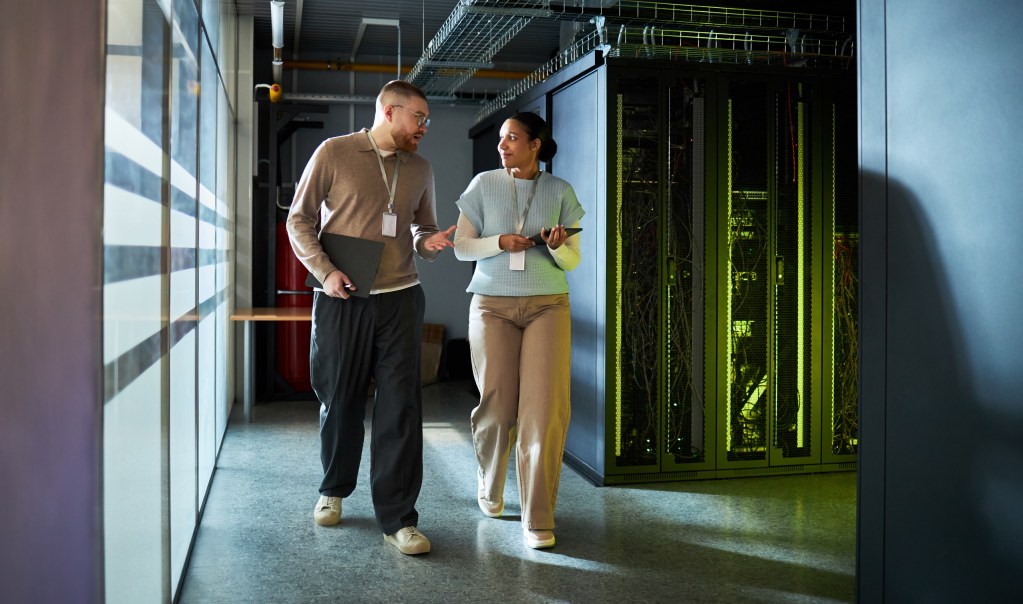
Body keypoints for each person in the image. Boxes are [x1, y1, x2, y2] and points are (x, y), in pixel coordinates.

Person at [286, 80, 456, 556]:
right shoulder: (334, 152)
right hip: (342, 296)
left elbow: (421, 228)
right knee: (339, 400)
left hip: (401, 298)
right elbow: (298, 219)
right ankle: (334, 489)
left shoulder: (420, 167)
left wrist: (431, 243)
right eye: (418, 117)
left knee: (401, 407)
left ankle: (399, 518)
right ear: (388, 111)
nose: (424, 127)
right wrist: (326, 272)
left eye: (426, 120)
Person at [452, 112, 584, 549]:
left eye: (512, 138)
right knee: (498, 407)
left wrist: (557, 246)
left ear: (535, 145)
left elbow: (572, 262)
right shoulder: (483, 185)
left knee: (544, 412)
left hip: (548, 304)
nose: (502, 145)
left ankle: (538, 516)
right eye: (501, 138)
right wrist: (500, 242)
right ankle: (489, 480)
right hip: (492, 306)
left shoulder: (560, 191)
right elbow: (461, 247)